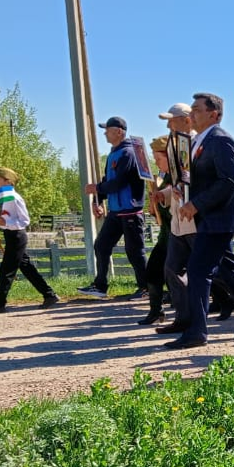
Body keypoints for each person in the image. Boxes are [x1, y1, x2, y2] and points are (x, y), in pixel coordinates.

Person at [165, 93, 234, 349]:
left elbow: (228, 182)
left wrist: (196, 203)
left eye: (197, 109)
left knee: (197, 270)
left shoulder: (221, 141)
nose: (191, 114)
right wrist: (184, 190)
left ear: (214, 114)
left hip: (218, 219)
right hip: (208, 217)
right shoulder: (199, 142)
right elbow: (202, 178)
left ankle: (196, 331)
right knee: (228, 270)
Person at [80, 115, 149, 299]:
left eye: (108, 130)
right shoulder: (113, 153)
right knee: (101, 245)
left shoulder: (129, 153)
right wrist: (98, 199)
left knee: (134, 251)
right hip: (116, 211)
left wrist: (97, 188)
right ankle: (100, 285)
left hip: (131, 210)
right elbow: (107, 181)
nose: (105, 133)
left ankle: (146, 287)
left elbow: (119, 183)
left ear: (119, 132)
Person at [0, 168, 61, 313]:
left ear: (9, 182)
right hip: (11, 236)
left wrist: (3, 222)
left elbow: (24, 221)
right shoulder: (6, 198)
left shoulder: (14, 198)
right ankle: (49, 295)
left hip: (17, 236)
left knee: (6, 270)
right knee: (27, 268)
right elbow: (6, 219)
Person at [153, 103, 199, 334]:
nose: (169, 124)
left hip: (195, 217)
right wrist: (165, 193)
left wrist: (190, 195)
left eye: (172, 120)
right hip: (178, 219)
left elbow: (201, 180)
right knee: (171, 267)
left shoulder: (197, 143)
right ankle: (183, 317)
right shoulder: (174, 144)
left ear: (187, 119)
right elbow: (178, 181)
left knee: (218, 270)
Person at [138, 138, 173, 325]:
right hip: (166, 236)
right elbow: (155, 213)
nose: (156, 163)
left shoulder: (177, 178)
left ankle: (228, 301)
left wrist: (161, 196)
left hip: (179, 236)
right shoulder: (163, 179)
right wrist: (153, 200)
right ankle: (156, 311)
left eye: (158, 158)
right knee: (153, 271)